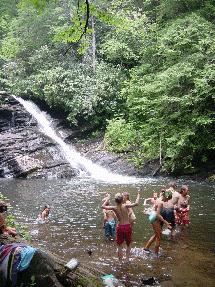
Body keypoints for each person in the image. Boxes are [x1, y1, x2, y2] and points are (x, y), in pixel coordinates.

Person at [102, 192, 140, 263]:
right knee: (128, 244)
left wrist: (108, 198)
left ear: (115, 200)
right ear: (122, 200)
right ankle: (127, 259)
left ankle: (120, 261)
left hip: (120, 227)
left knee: (119, 245)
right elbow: (136, 203)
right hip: (127, 226)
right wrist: (138, 194)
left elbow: (103, 206)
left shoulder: (114, 207)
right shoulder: (126, 206)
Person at [144, 190, 172, 257]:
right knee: (159, 237)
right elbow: (158, 214)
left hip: (153, 220)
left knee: (156, 234)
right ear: (166, 197)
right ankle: (156, 254)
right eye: (168, 199)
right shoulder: (161, 202)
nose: (167, 201)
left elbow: (154, 209)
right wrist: (166, 223)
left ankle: (146, 248)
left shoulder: (158, 199)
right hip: (156, 220)